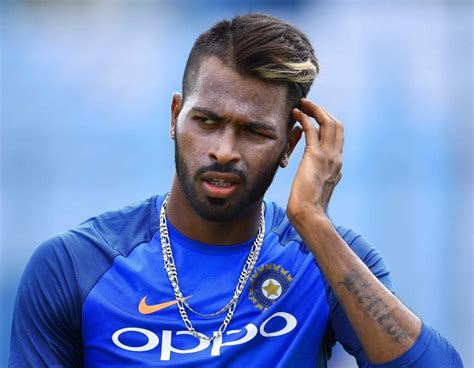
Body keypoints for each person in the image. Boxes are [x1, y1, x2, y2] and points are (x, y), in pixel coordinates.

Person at [9, 13, 462, 367]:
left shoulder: (323, 260)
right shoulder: (74, 267)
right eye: (206, 121)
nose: (224, 151)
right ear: (174, 118)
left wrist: (313, 223)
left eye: (254, 132)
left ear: (289, 145)